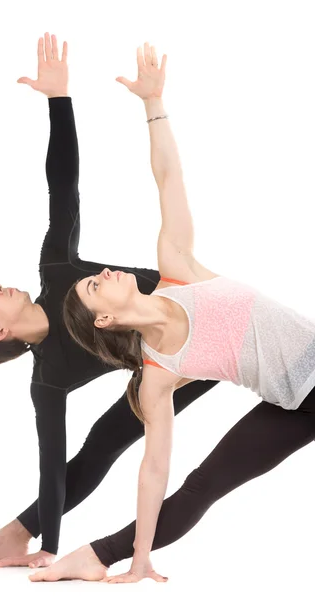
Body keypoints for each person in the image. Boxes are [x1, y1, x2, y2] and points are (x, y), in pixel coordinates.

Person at [0, 33, 219, 569]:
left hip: (193, 302)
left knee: (105, 435)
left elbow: (63, 186)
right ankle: (25, 537)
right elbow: (52, 462)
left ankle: (14, 534)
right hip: (182, 360)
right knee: (101, 443)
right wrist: (49, 546)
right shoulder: (48, 378)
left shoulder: (56, 269)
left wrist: (58, 100)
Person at [53, 42, 315, 583]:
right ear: (104, 321)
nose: (102, 274)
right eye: (93, 289)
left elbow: (168, 178)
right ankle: (100, 556)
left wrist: (153, 104)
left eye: (95, 275)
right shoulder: (159, 375)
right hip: (294, 405)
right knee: (201, 485)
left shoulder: (177, 269)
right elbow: (154, 470)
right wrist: (142, 556)